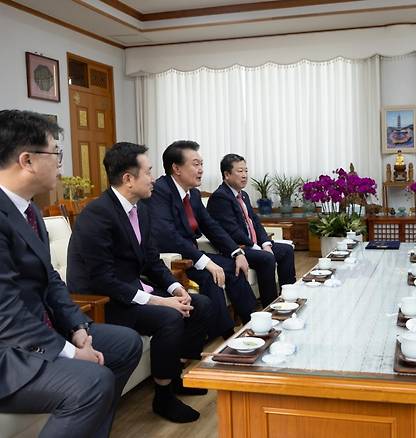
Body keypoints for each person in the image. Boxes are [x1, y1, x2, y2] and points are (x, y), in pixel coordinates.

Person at [0, 110, 142, 437]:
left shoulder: (28, 209)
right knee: (94, 381)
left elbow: (50, 279)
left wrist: (78, 327)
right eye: (55, 153)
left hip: (37, 330)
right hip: (8, 350)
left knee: (125, 343)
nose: (61, 164)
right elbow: (5, 314)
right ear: (27, 160)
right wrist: (70, 351)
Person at [67, 142, 213, 423]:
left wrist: (175, 287)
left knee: (200, 304)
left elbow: (151, 260)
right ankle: (163, 397)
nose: (154, 178)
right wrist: (161, 301)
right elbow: (102, 279)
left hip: (131, 289)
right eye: (148, 172)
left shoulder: (141, 209)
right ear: (128, 179)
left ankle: (175, 375)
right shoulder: (97, 215)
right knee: (169, 317)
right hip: (103, 300)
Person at [148, 140, 258, 339]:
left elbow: (212, 227)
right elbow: (168, 236)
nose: (201, 170)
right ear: (176, 168)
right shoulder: (160, 192)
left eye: (201, 164)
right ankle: (225, 337)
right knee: (211, 276)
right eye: (196, 164)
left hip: (193, 253)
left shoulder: (194, 194)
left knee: (235, 267)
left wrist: (236, 251)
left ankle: (255, 325)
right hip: (174, 258)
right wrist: (206, 262)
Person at [206, 154, 296, 306]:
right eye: (240, 171)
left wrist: (266, 244)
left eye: (246, 171)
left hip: (251, 245)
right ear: (227, 174)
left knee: (286, 250)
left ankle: (289, 296)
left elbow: (255, 223)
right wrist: (255, 246)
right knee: (266, 258)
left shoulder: (244, 195)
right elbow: (232, 230)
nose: (244, 175)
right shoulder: (220, 197)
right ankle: (272, 305)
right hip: (237, 248)